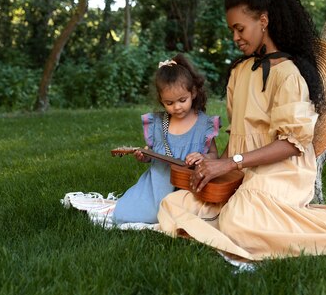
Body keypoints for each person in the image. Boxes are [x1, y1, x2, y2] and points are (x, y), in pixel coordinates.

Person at [157, 0, 326, 261]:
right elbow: (239, 134)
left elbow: (292, 144)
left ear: (263, 20)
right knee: (174, 203)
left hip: (281, 171)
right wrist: (215, 167)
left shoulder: (288, 74)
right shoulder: (239, 72)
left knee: (238, 222)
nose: (235, 37)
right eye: (232, 31)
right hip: (243, 168)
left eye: (240, 28)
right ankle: (238, 217)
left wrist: (229, 163)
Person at [62, 54, 220, 227]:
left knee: (195, 215)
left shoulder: (204, 124)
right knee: (129, 215)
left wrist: (203, 157)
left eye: (182, 100)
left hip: (192, 186)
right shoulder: (159, 124)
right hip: (159, 185)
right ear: (161, 100)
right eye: (169, 103)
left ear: (194, 93)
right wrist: (145, 156)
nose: (177, 107)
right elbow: (152, 153)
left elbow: (214, 155)